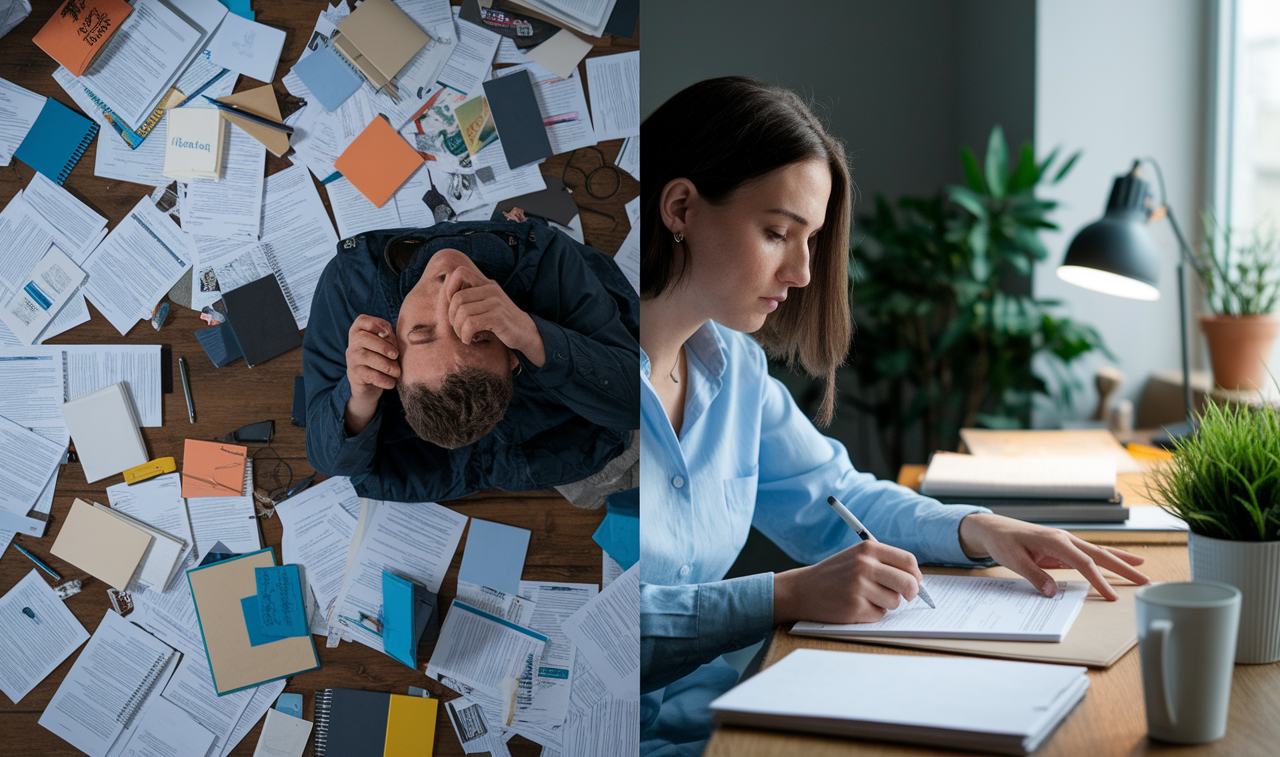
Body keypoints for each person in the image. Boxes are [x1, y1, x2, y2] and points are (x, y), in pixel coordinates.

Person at [638, 76, 1151, 756]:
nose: (800, 273)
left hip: (715, 720)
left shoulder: (734, 370)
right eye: (776, 233)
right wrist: (783, 597)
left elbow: (838, 501)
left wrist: (980, 529)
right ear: (680, 208)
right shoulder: (555, 388)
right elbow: (568, 632)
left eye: (811, 241)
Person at [303, 214, 639, 502]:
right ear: (512, 357)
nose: (449, 297)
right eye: (479, 333)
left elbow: (326, 457)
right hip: (559, 453)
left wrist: (359, 395)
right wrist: (534, 336)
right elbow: (641, 403)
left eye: (422, 331)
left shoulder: (349, 284)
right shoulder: (547, 265)